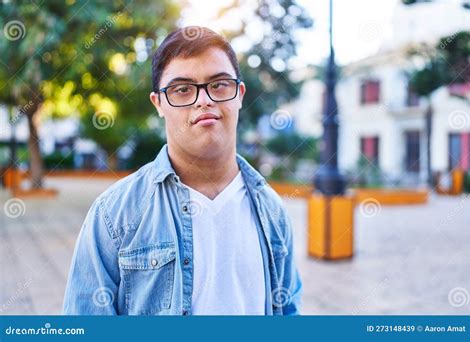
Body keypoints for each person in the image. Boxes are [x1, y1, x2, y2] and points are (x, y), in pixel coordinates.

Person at [63, 26, 302, 315]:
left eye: (219, 84)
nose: (204, 100)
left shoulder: (272, 210)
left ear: (239, 94)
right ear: (159, 103)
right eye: (182, 89)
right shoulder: (115, 214)